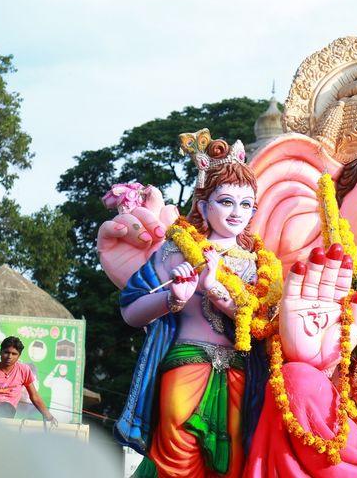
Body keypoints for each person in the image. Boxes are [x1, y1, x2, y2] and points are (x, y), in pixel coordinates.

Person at [106, 135, 269, 477]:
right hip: (186, 359)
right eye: (226, 202)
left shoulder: (261, 265)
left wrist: (213, 290)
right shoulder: (176, 250)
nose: (237, 213)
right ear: (203, 203)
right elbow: (131, 311)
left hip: (240, 371)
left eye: (246, 204)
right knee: (177, 441)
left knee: (235, 455)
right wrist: (172, 298)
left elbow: (262, 327)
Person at [0, 336, 57, 426]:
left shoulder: (24, 370)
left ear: (19, 356)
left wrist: (49, 417)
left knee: (7, 407)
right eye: (6, 352)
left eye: (14, 354)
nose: (9, 356)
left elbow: (34, 396)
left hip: (8, 415)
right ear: (0, 352)